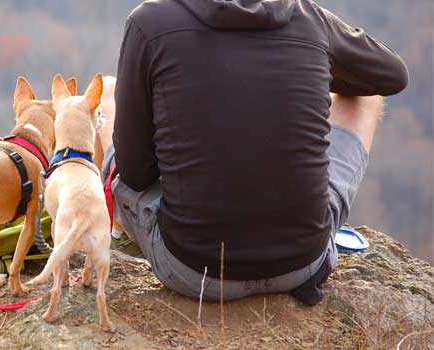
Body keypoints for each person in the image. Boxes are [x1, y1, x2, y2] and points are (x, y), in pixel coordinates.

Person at [100, 0, 408, 304]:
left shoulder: (149, 22)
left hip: (192, 270)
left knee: (106, 95)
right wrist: (311, 63)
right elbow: (391, 75)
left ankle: (116, 232)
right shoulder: (309, 17)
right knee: (365, 98)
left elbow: (136, 172)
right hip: (303, 264)